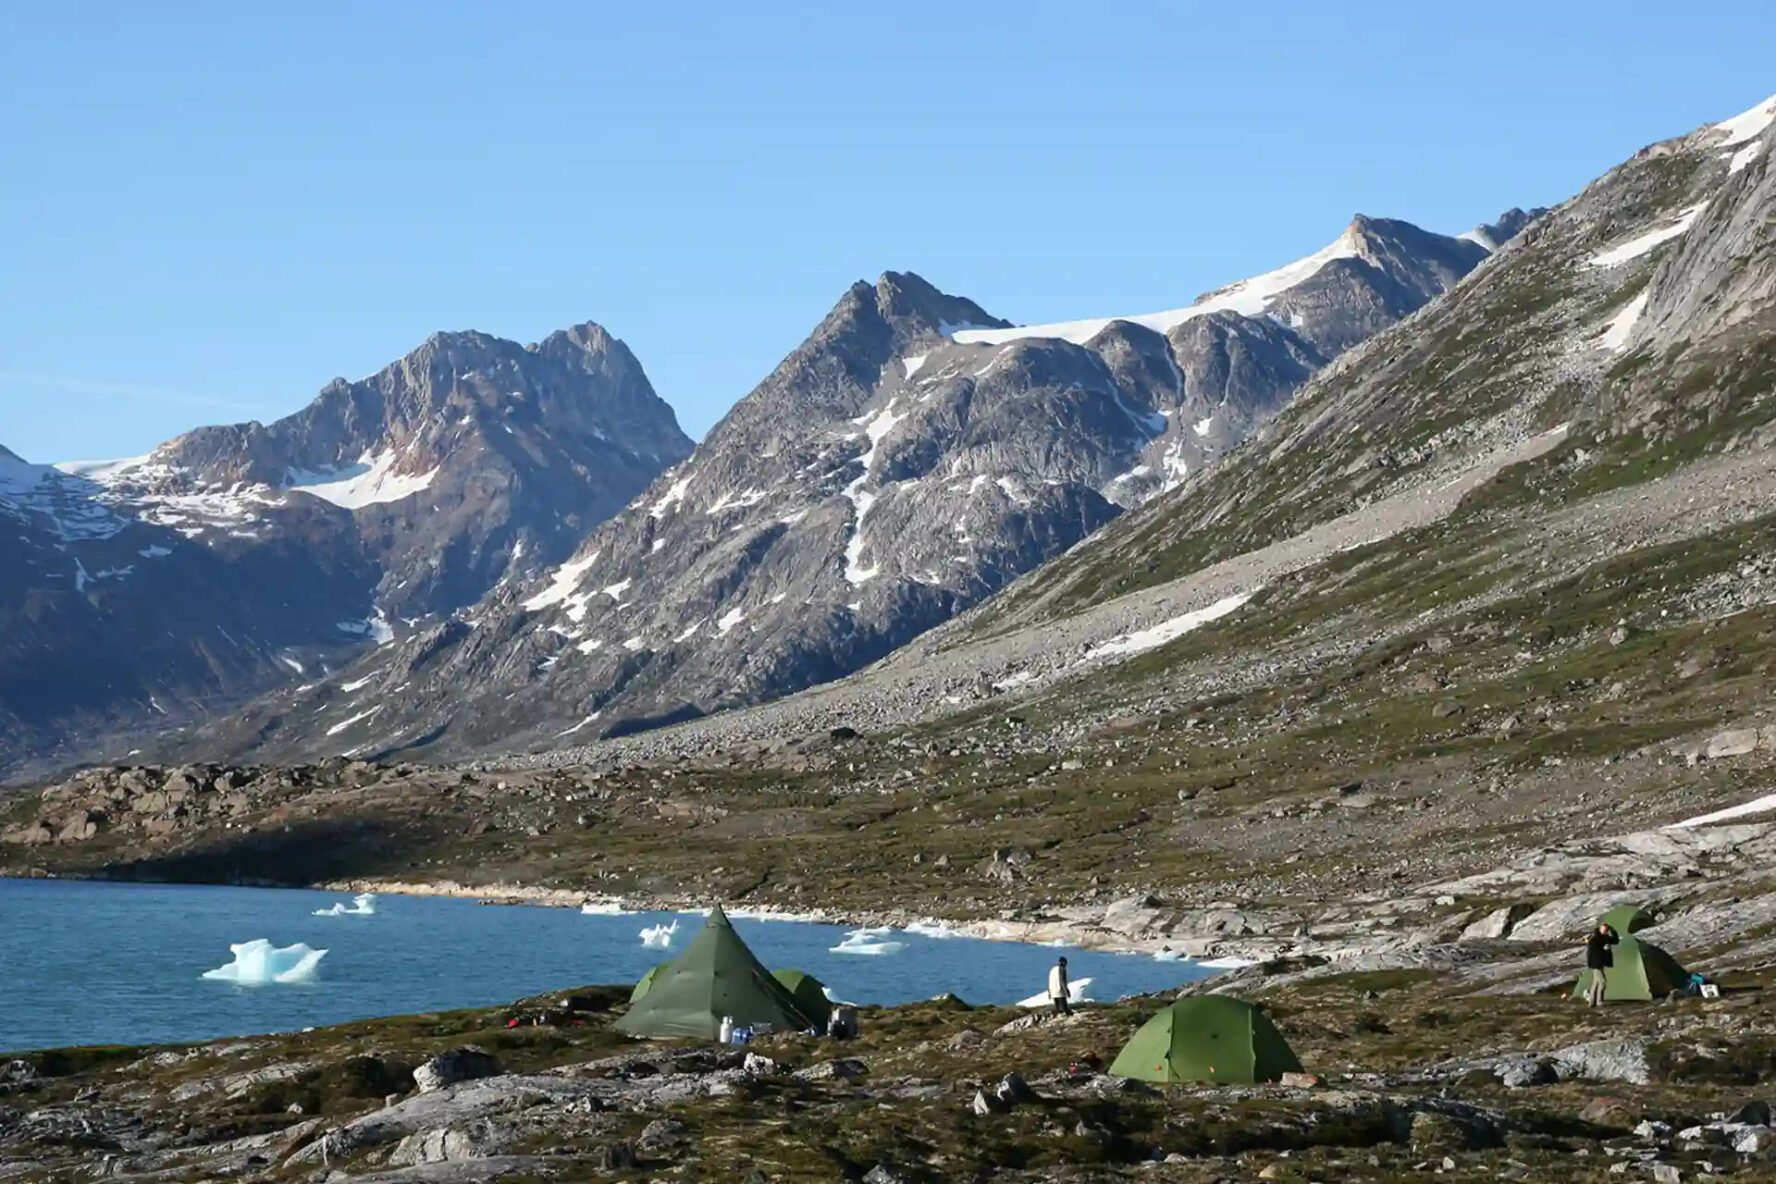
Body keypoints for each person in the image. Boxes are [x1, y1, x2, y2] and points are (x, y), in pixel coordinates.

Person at [1584, 923, 1619, 1007]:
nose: (1605, 932)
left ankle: (1592, 1002)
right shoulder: (1594, 939)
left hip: (1601, 963)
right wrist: (1604, 950)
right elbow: (1593, 952)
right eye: (1604, 930)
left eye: (1607, 930)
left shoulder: (1605, 938)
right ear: (1600, 929)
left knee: (1596, 983)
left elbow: (1616, 941)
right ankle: (1599, 1001)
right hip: (1596, 964)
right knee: (1602, 982)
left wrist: (1613, 930)